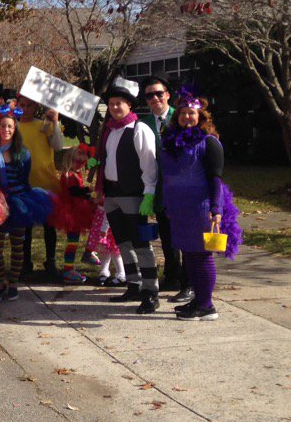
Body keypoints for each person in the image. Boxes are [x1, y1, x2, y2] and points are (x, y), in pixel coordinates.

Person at [161, 94, 242, 321]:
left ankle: (206, 306)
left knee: (202, 255)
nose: (187, 117)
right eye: (183, 113)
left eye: (192, 113)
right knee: (189, 254)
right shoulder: (171, 140)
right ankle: (198, 300)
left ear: (200, 116)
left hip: (201, 206)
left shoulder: (209, 142)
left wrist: (216, 210)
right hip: (180, 207)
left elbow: (215, 179)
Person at [97, 77, 161, 314]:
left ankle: (151, 292)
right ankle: (133, 284)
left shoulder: (139, 128)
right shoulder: (110, 130)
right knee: (123, 242)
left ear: (129, 105)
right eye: (111, 103)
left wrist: (149, 194)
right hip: (112, 194)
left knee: (141, 245)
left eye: (119, 103)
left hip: (133, 194)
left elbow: (149, 164)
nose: (114, 107)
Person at [0, 107, 55, 301]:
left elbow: (25, 179)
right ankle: (0, 284)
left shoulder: (23, 153)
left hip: (19, 202)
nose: (6, 130)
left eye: (9, 126)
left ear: (15, 129)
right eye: (2, 126)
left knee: (18, 246)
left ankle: (14, 284)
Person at [141, 75, 190, 301]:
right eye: (150, 95)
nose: (155, 98)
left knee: (185, 236)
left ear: (167, 95)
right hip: (159, 190)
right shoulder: (143, 124)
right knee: (167, 236)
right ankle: (172, 276)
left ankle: (188, 282)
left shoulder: (181, 118)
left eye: (159, 93)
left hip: (182, 189)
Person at [15, 94, 64, 277]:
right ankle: (25, 263)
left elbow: (58, 146)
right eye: (22, 105)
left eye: (30, 105)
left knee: (48, 226)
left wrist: (55, 123)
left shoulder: (44, 125)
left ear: (36, 107)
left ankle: (50, 262)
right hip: (23, 185)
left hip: (46, 183)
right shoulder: (15, 128)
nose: (26, 109)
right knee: (25, 226)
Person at [48, 144, 100, 284]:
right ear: (70, 160)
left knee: (74, 241)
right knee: (72, 242)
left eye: (82, 163)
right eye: (78, 162)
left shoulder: (76, 174)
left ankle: (80, 259)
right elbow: (74, 192)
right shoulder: (69, 175)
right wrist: (87, 190)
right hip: (72, 213)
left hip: (77, 210)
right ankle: (68, 270)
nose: (80, 165)